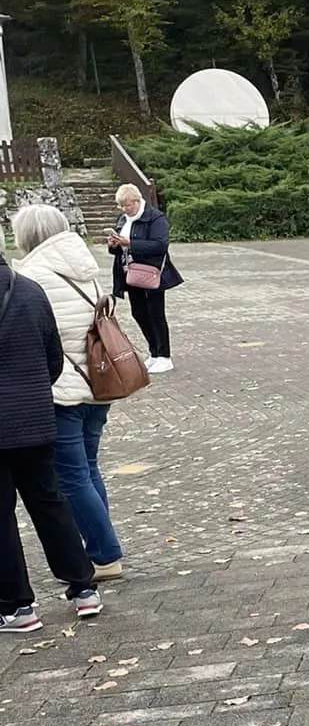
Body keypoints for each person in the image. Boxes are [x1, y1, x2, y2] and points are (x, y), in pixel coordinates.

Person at [12, 204, 125, 578]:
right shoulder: (84, 268)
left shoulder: (32, 276)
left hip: (62, 389)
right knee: (87, 469)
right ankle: (101, 548)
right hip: (98, 383)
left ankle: (105, 554)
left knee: (71, 476)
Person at [0, 232, 103, 631]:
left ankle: (17, 606)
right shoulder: (29, 289)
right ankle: (83, 587)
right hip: (34, 418)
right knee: (50, 502)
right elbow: (52, 356)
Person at [109, 183, 181, 373]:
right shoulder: (123, 219)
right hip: (130, 273)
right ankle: (154, 353)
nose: (125, 209)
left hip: (151, 273)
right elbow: (118, 250)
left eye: (127, 205)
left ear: (137, 200)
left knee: (155, 314)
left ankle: (165, 356)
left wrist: (131, 243)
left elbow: (160, 245)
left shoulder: (155, 218)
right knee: (138, 313)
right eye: (121, 206)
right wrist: (114, 245)